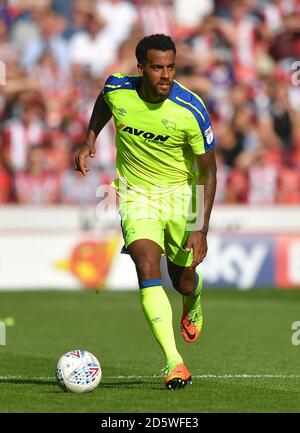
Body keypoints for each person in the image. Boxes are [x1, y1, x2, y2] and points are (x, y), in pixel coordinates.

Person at [74, 34, 217, 390]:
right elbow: (105, 102)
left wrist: (200, 227)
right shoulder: (118, 88)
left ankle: (193, 298)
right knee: (145, 265)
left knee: (182, 279)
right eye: (157, 68)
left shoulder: (191, 108)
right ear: (141, 69)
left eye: (171, 67)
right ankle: (174, 362)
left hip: (182, 198)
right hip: (137, 196)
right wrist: (90, 138)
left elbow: (208, 172)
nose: (166, 75)